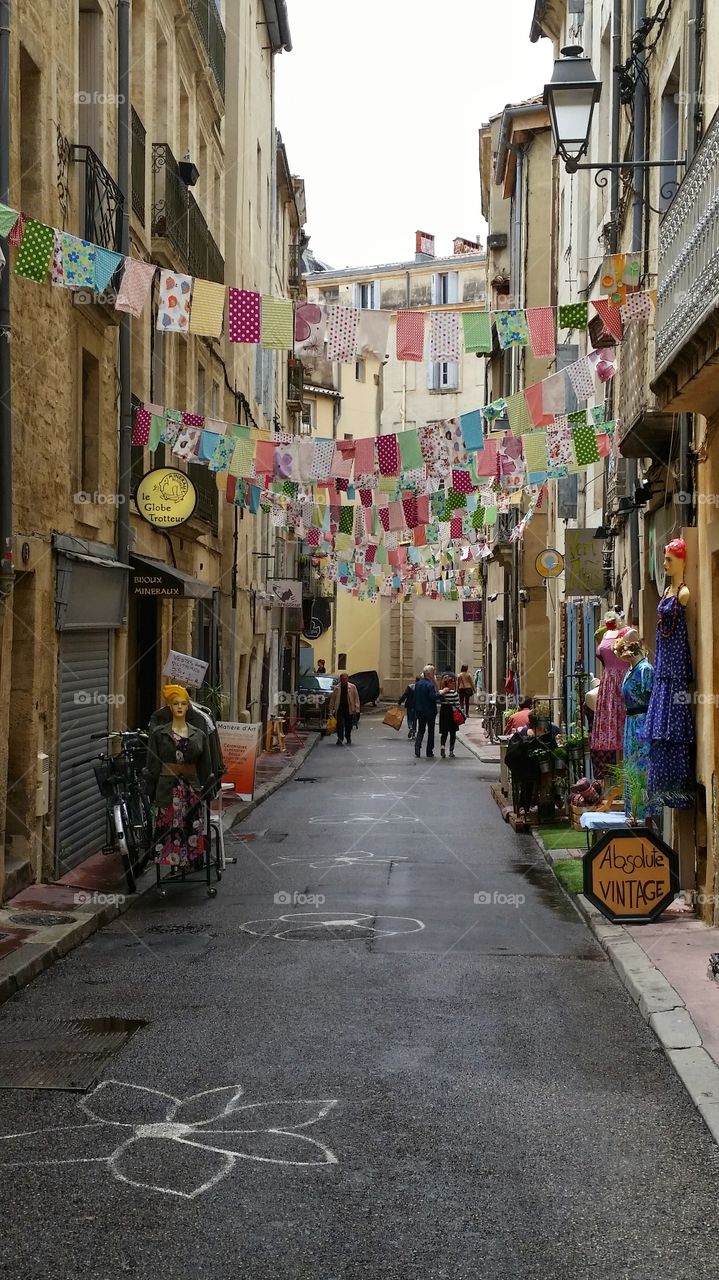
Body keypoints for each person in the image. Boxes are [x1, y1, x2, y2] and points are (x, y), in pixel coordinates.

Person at [145, 685, 215, 867]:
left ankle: (191, 858)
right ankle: (168, 860)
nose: (179, 707)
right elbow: (152, 764)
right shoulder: (159, 734)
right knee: (167, 827)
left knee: (191, 826)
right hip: (167, 788)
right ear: (169, 706)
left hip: (191, 789)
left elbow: (206, 765)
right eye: (175, 703)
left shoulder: (198, 734)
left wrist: (207, 788)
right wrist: (150, 791)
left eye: (184, 703)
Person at [413, 665, 442, 759]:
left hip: (420, 710)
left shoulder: (418, 684)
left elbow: (415, 697)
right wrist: (441, 693)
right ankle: (429, 751)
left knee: (420, 730)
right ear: (429, 674)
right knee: (431, 731)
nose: (434, 674)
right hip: (429, 711)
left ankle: (417, 749)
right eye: (433, 672)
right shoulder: (430, 685)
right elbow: (433, 696)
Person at [329, 672, 360, 745]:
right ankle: (340, 738)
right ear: (340, 679)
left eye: (345, 679)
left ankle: (347, 736)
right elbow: (333, 700)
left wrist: (357, 708)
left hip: (349, 709)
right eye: (343, 679)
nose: (344, 680)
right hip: (340, 709)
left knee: (349, 725)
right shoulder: (337, 688)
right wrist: (331, 710)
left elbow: (356, 698)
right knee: (339, 725)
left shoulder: (352, 687)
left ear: (347, 679)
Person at [438, 673, 461, 758]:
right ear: (449, 684)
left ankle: (442, 747)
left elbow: (439, 700)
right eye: (452, 683)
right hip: (452, 714)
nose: (454, 684)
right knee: (452, 733)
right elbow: (457, 704)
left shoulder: (442, 693)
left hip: (444, 713)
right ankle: (451, 751)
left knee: (444, 733)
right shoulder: (454, 693)